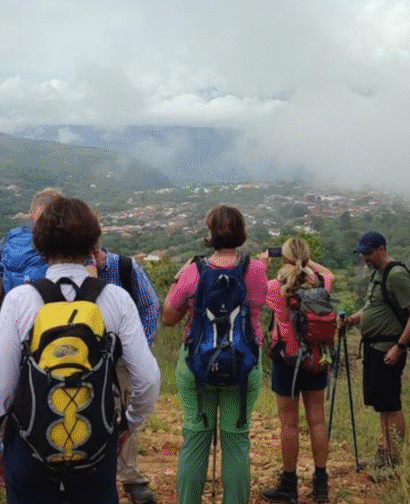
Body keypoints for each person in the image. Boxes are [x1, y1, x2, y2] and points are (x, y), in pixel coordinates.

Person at [0, 195, 160, 504]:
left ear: (40, 244)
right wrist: (127, 425)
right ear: (93, 243)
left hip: (29, 446)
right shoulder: (115, 299)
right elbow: (148, 379)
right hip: (95, 443)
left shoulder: (21, 300)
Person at [162, 205, 268, 504]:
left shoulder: (195, 270)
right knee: (236, 442)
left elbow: (169, 317)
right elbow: (259, 304)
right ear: (241, 232)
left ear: (210, 234)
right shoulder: (256, 270)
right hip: (244, 365)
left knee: (196, 439)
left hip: (197, 365)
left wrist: (178, 277)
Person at [340, 231, 410, 474]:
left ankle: (394, 460)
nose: (365, 258)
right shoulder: (378, 274)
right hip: (375, 348)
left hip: (389, 348)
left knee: (391, 403)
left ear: (381, 249)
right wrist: (352, 321)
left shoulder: (396, 275)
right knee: (381, 404)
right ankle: (385, 453)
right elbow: (372, 308)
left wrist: (399, 347)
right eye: (362, 254)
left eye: (368, 253)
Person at [259, 237, 335, 504]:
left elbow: (252, 285)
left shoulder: (274, 288)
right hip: (316, 359)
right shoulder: (322, 285)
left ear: (285, 259)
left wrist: (264, 260)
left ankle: (289, 484)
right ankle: (321, 486)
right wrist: (305, 261)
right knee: (317, 420)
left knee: (289, 423)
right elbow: (328, 273)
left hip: (287, 361)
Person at [90, 247, 161, 504]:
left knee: (125, 416)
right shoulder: (73, 270)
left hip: (121, 358)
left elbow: (150, 306)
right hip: (86, 359)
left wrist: (139, 347)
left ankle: (129, 476)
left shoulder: (125, 268)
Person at [0, 187, 62, 354]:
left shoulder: (8, 241)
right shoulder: (73, 243)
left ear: (32, 213)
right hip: (59, 340)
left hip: (15, 340)